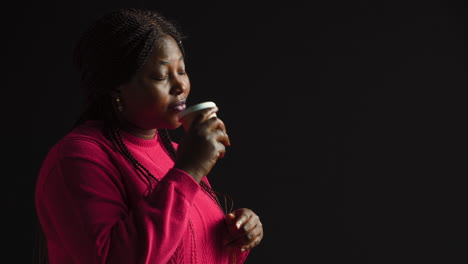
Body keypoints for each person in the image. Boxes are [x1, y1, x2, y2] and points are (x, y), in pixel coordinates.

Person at [34, 7, 263, 264]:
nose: (180, 86)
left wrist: (236, 239)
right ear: (116, 89)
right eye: (161, 76)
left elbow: (192, 252)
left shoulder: (175, 153)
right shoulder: (79, 157)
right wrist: (188, 171)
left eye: (182, 71)